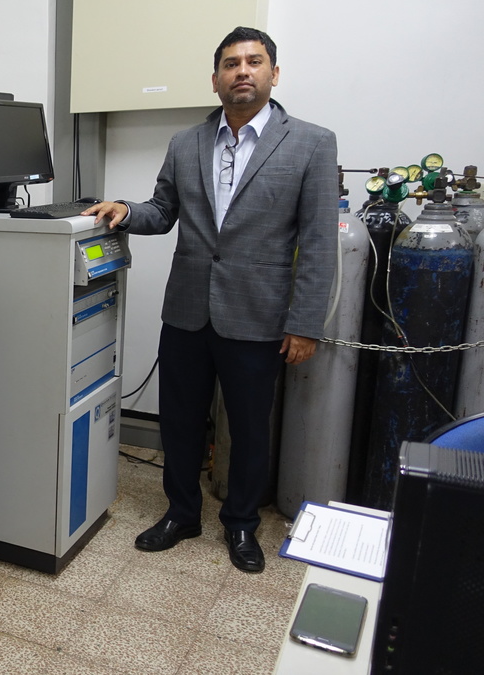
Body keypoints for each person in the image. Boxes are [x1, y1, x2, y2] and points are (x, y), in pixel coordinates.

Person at [83, 26, 337, 573]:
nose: (242, 71)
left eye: (254, 61)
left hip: (259, 315)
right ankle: (182, 512)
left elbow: (318, 243)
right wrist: (125, 210)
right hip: (188, 311)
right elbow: (162, 211)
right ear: (215, 78)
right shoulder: (186, 143)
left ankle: (242, 524)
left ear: (273, 73)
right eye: (230, 63)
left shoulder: (312, 143)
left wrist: (306, 322)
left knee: (247, 427)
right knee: (179, 420)